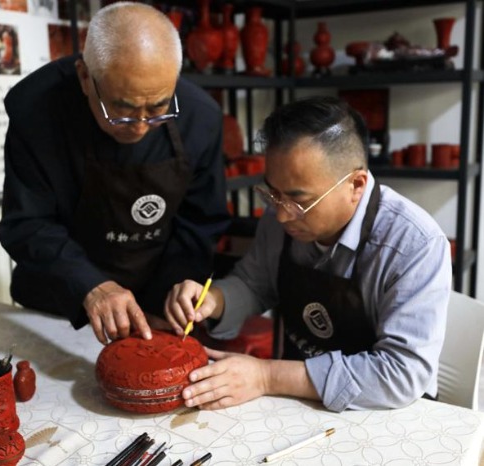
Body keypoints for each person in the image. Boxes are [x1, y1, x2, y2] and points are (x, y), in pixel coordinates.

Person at [165, 96, 451, 413]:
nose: (283, 215)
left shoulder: (414, 243)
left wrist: (267, 376)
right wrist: (214, 299)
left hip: (389, 414)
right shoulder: (280, 217)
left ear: (356, 184)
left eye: (299, 201)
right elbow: (254, 282)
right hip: (304, 403)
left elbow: (401, 374)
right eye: (272, 193)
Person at [0, 2, 229, 344]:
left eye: (158, 108)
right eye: (122, 108)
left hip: (154, 301)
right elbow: (27, 223)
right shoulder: (37, 111)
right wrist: (89, 285)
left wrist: (173, 293)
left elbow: (200, 222)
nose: (140, 126)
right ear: (85, 77)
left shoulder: (200, 117)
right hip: (61, 299)